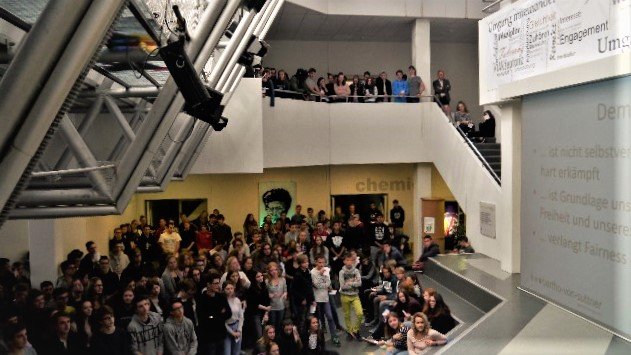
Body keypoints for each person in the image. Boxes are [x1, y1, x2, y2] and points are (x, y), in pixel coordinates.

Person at [197, 273, 232, 355]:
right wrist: (219, 314)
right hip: (209, 337)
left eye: (219, 283)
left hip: (221, 335)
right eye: (215, 283)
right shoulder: (201, 299)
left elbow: (229, 313)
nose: (218, 286)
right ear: (208, 284)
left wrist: (213, 316)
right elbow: (203, 318)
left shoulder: (221, 297)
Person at [310, 255, 340, 347]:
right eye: (319, 262)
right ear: (316, 262)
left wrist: (325, 283)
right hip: (316, 299)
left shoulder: (326, 270)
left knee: (330, 317)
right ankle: (317, 341)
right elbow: (317, 284)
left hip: (325, 298)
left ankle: (335, 337)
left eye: (323, 262)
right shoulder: (313, 272)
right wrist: (320, 274)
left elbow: (328, 283)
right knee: (316, 321)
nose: (321, 264)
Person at [338, 253, 363, 340]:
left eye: (351, 260)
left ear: (353, 261)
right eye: (347, 260)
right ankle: (350, 332)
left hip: (355, 295)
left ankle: (356, 330)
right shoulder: (341, 272)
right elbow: (342, 286)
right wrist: (353, 282)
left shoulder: (356, 271)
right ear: (344, 261)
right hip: (344, 296)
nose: (349, 262)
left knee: (360, 313)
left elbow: (359, 283)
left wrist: (349, 282)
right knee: (347, 315)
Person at [291, 254, 315, 332]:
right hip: (301, 301)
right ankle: (301, 335)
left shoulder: (307, 272)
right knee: (302, 319)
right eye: (304, 262)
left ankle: (307, 332)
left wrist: (313, 299)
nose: (307, 263)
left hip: (308, 299)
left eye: (307, 262)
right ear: (300, 263)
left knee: (308, 317)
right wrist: (302, 299)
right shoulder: (297, 274)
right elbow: (294, 290)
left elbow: (310, 287)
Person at [265, 262, 287, 334]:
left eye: (275, 269)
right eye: (271, 270)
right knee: (272, 324)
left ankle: (278, 340)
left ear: (278, 270)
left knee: (280, 324)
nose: (274, 272)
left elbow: (285, 291)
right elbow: (264, 295)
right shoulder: (267, 281)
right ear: (269, 272)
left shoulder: (283, 279)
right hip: (272, 307)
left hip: (281, 305)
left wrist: (284, 294)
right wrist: (269, 295)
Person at [223, 282, 244, 355]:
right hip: (226, 328)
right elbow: (222, 320)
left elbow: (241, 316)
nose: (230, 290)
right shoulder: (222, 301)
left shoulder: (237, 300)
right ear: (224, 290)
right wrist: (232, 333)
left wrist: (239, 330)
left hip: (236, 326)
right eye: (227, 289)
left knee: (236, 352)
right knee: (227, 352)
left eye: (231, 288)